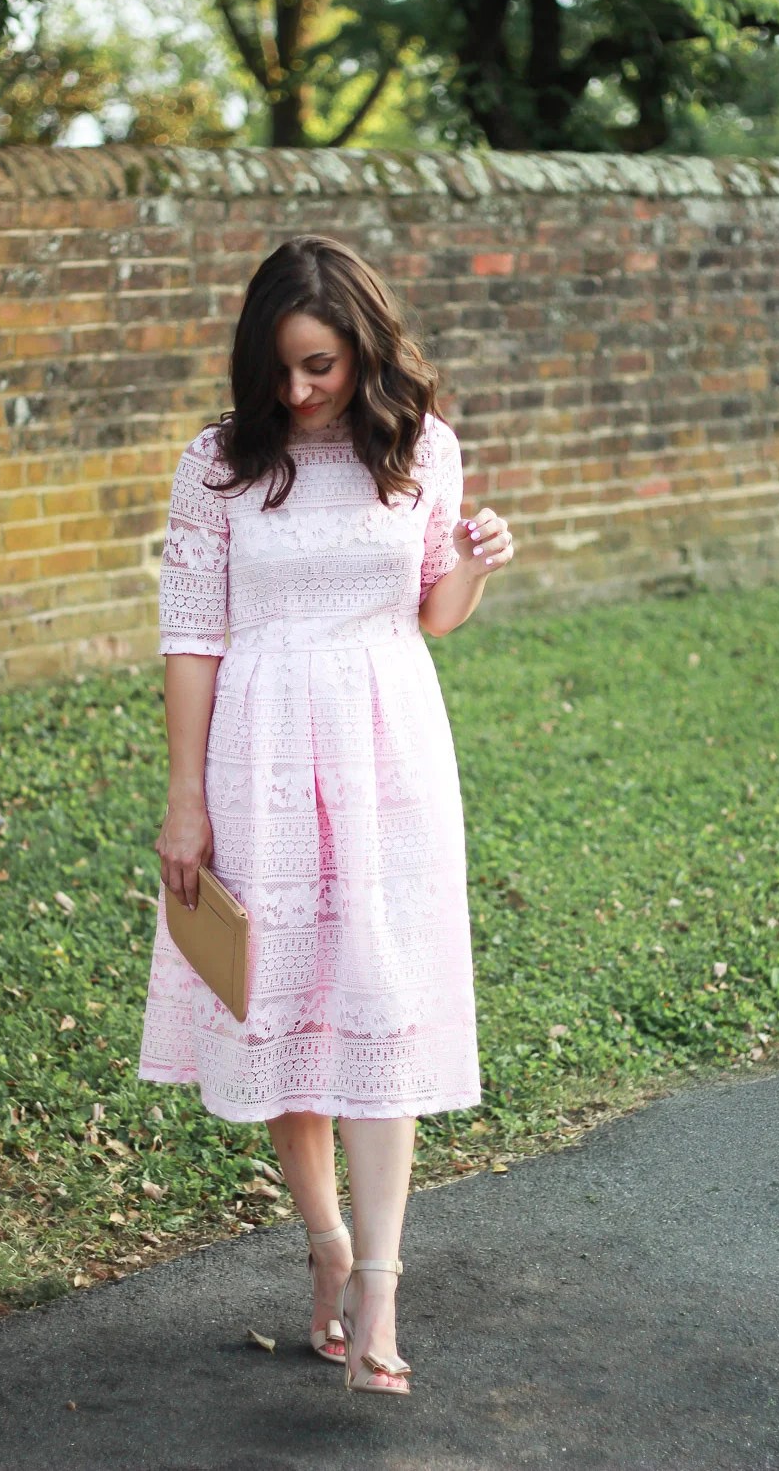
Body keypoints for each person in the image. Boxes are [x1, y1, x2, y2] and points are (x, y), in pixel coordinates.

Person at [136, 234, 515, 1396]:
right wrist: (186, 803)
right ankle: (325, 1245)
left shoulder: (420, 448)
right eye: (280, 370)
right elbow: (193, 637)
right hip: (258, 749)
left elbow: (432, 614)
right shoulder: (219, 464)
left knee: (379, 1005)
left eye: (320, 367)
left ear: (363, 350)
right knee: (283, 1004)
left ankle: (383, 1288)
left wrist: (481, 560)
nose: (298, 392)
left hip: (387, 748)